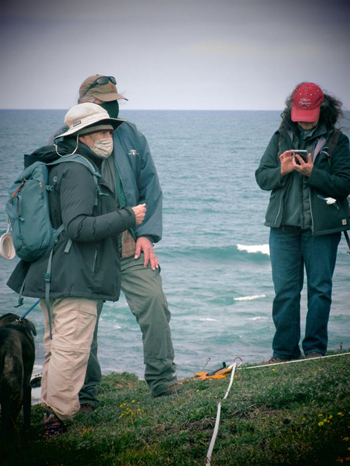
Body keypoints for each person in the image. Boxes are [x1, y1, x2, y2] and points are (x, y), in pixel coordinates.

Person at [7, 103, 146, 435]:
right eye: (101, 131)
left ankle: (49, 412)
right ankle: (55, 418)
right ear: (81, 136)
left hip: (54, 273)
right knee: (72, 347)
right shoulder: (80, 171)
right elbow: (78, 227)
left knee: (58, 344)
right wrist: (129, 217)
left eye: (110, 131)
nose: (108, 136)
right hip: (74, 275)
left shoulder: (63, 165)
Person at [66, 75, 178, 408]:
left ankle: (163, 383)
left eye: (114, 100)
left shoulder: (131, 134)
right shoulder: (66, 140)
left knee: (155, 304)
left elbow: (151, 187)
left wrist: (147, 236)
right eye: (103, 101)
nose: (111, 107)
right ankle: (85, 395)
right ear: (85, 102)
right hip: (88, 251)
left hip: (130, 245)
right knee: (84, 324)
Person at [255, 82, 350, 363]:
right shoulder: (281, 138)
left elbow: (344, 185)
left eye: (310, 117)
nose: (305, 124)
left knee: (320, 290)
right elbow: (262, 178)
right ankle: (284, 352)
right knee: (285, 292)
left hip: (321, 231)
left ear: (323, 109)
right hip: (283, 228)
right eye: (300, 117)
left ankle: (314, 350)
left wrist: (312, 173)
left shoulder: (337, 141)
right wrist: (282, 170)